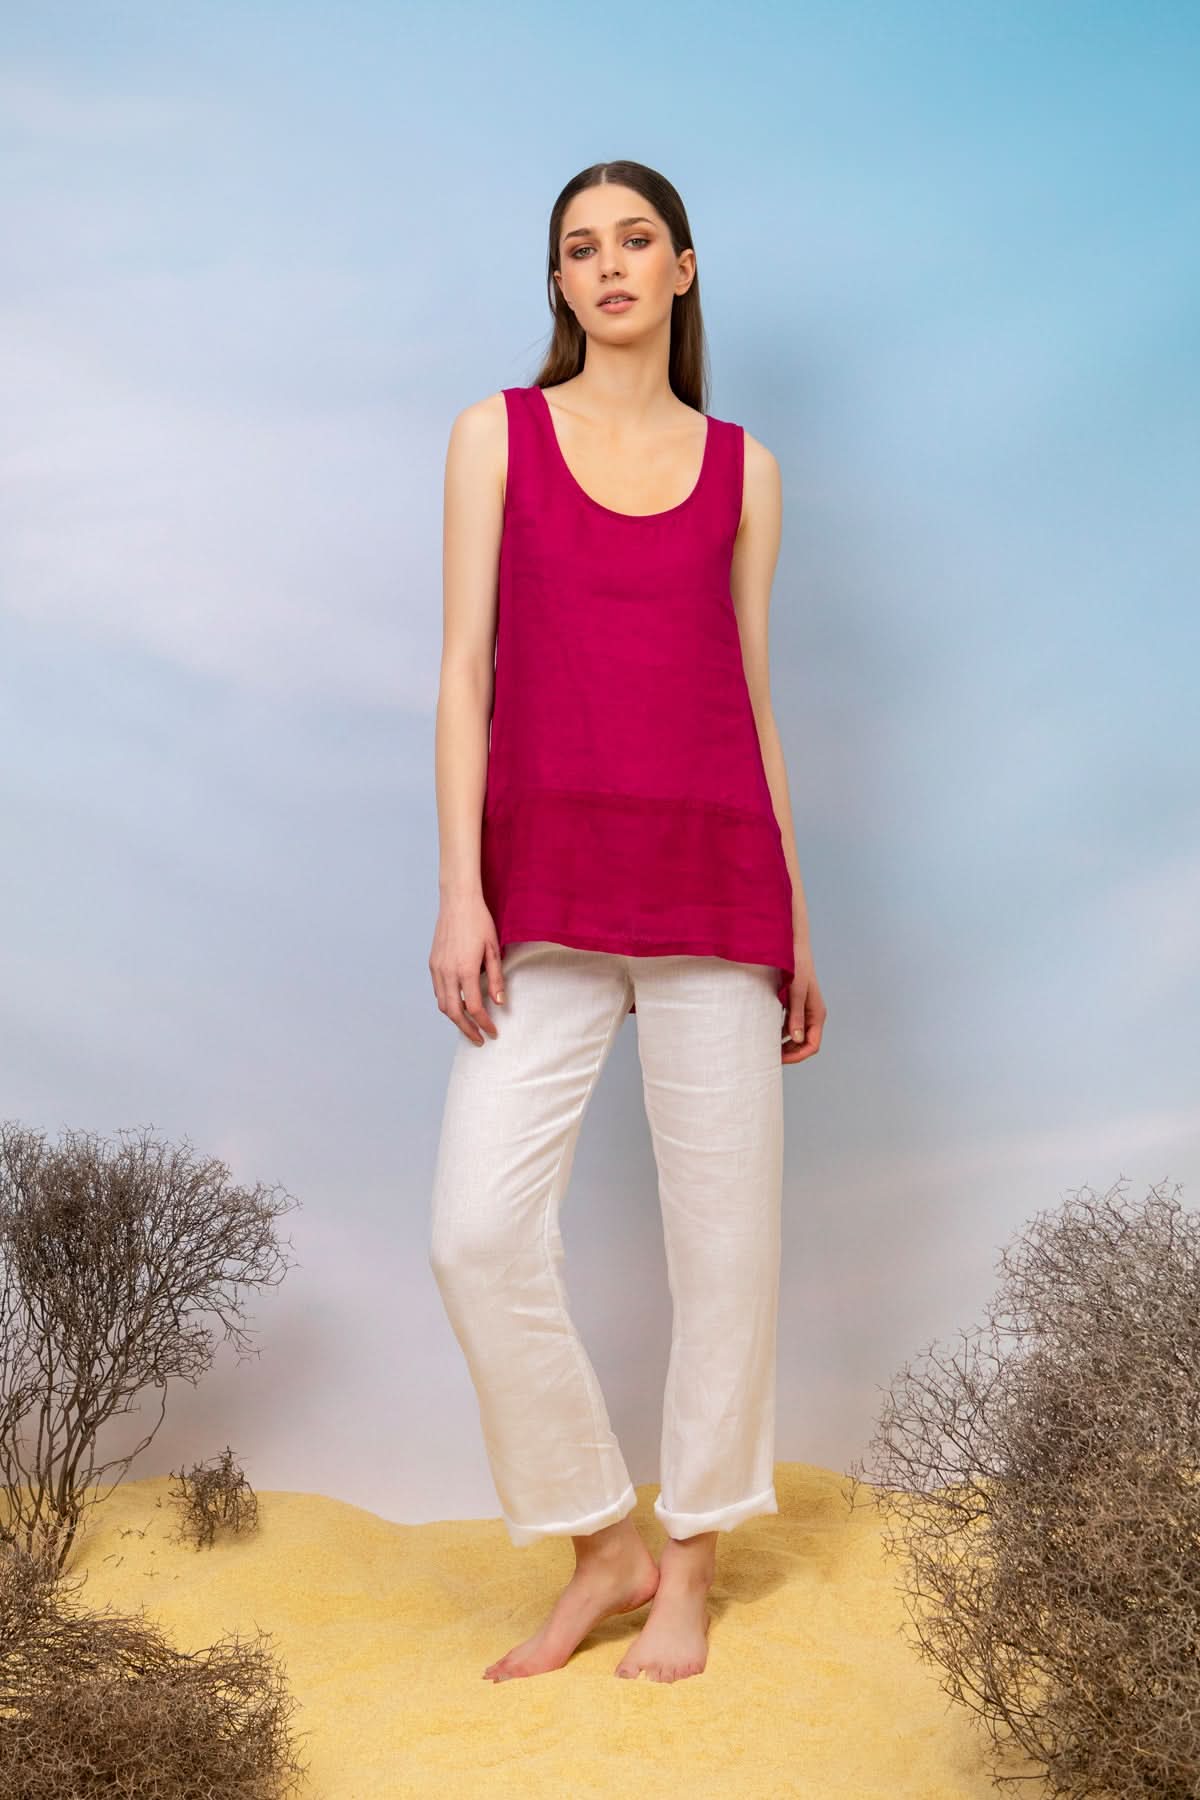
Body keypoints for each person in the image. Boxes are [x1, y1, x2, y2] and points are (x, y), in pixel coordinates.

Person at [427, 159, 826, 1685]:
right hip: (544, 886)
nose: (606, 267)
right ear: (558, 283)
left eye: (633, 242)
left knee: (727, 1248)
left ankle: (693, 1567)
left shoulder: (747, 467)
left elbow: (751, 698)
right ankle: (604, 1543)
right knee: (475, 1231)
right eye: (578, 248)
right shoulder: (497, 437)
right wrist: (463, 884)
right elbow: (465, 673)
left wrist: (796, 917)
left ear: (682, 269)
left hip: (718, 877)